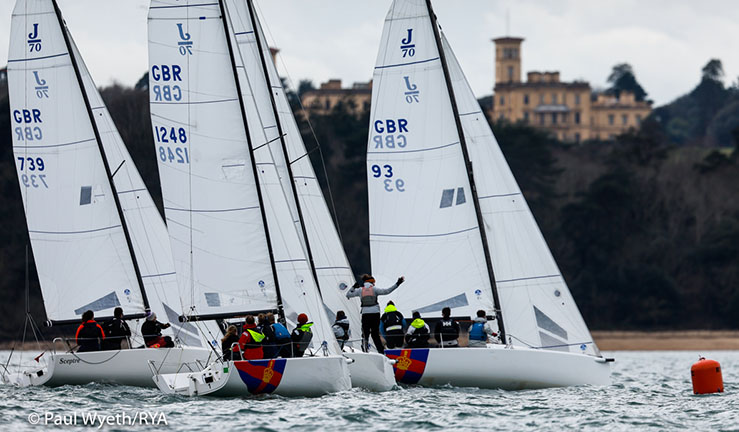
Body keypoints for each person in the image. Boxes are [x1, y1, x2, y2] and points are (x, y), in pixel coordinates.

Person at [346, 273, 405, 354]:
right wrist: (397, 283)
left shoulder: (360, 290)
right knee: (375, 334)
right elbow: (387, 291)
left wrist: (353, 287)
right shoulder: (374, 289)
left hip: (365, 314)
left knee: (365, 333)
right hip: (375, 314)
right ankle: (381, 352)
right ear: (371, 282)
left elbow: (348, 294)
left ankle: (365, 350)